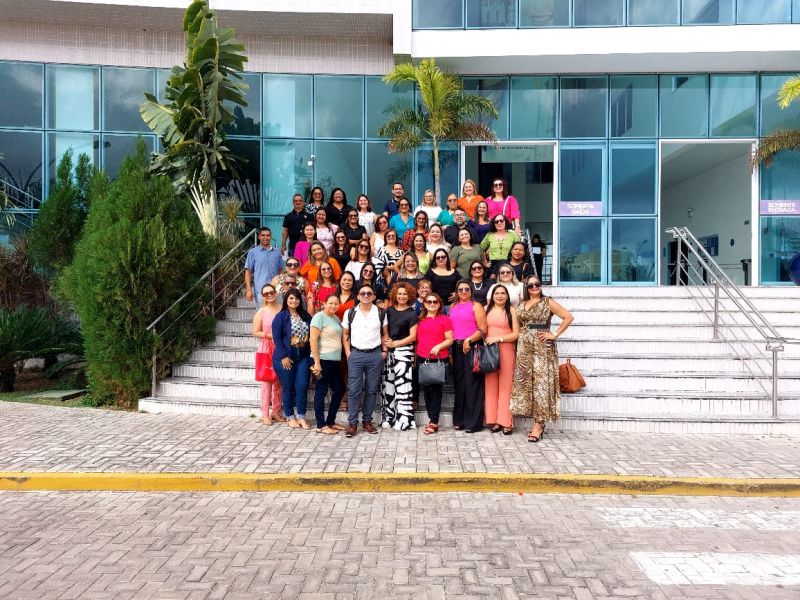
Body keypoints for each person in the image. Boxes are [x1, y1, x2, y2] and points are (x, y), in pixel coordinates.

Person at [510, 276, 574, 443]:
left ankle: (539, 424)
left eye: (537, 284)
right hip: (524, 346)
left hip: (542, 345)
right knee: (526, 382)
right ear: (526, 287)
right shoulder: (521, 304)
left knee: (541, 383)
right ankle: (534, 417)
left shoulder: (547, 301)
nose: (534, 287)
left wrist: (555, 334)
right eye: (530, 285)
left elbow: (568, 317)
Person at [342, 282, 389, 438]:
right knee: (354, 390)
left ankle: (367, 421)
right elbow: (345, 334)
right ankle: (352, 423)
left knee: (371, 389)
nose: (366, 296)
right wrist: (348, 353)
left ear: (374, 296)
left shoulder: (380, 312)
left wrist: (384, 351)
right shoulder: (350, 313)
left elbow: (385, 333)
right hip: (356, 354)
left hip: (375, 354)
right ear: (358, 296)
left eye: (369, 293)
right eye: (363, 293)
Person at [271, 288, 312, 429]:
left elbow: (312, 335)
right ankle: (289, 417)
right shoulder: (281, 316)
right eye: (291, 298)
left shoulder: (305, 315)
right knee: (288, 387)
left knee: (302, 386)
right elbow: (277, 338)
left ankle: (301, 417)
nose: (294, 301)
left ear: (300, 300)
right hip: (285, 356)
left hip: (303, 356)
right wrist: (284, 356)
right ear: (286, 300)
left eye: (297, 298)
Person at [450, 281, 488, 433]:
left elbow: (483, 329)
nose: (464, 291)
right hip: (456, 347)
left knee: (472, 385)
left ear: (471, 291)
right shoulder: (452, 307)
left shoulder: (476, 306)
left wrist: (468, 340)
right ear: (457, 291)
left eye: (467, 289)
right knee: (459, 384)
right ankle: (460, 420)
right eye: (460, 289)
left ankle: (473, 423)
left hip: (472, 346)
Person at [381, 282, 418, 431]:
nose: (402, 296)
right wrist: (387, 346)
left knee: (403, 387)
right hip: (389, 352)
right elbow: (384, 331)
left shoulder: (412, 313)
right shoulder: (388, 311)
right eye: (399, 294)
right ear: (395, 295)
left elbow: (413, 336)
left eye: (405, 294)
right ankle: (389, 417)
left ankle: (404, 420)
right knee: (388, 385)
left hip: (404, 352)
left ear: (409, 296)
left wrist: (395, 344)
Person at [484, 285, 520, 435]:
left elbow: (516, 334)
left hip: (506, 349)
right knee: (490, 385)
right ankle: (494, 420)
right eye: (497, 293)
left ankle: (506, 421)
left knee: (506, 386)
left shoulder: (512, 310)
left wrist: (498, 338)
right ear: (492, 296)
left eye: (502, 293)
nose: (499, 296)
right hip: (489, 351)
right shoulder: (486, 309)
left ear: (507, 296)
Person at [415, 292, 453, 435]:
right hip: (422, 357)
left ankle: (434, 421)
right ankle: (432, 418)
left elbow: (450, 339)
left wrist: (439, 346)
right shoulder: (420, 320)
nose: (432, 304)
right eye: (429, 302)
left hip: (438, 358)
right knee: (426, 390)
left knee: (436, 391)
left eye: (435, 302)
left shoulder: (445, 319)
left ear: (439, 304)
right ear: (424, 304)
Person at [310, 294, 345, 434]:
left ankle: (330, 421)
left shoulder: (336, 318)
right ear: (324, 303)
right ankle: (321, 425)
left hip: (334, 361)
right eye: (330, 303)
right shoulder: (319, 317)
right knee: (321, 391)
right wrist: (316, 362)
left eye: (336, 303)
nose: (333, 306)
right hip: (322, 360)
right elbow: (313, 339)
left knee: (340, 388)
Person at [252, 284, 283, 425]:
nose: (269, 295)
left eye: (271, 292)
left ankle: (275, 411)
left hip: (280, 348)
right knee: (266, 382)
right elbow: (255, 332)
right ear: (263, 296)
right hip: (265, 348)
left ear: (276, 293)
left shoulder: (283, 309)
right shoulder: (261, 312)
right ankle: (265, 414)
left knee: (279, 380)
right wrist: (269, 336)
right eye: (266, 294)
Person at [245, 227, 283, 303]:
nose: (265, 237)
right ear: (259, 237)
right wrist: (248, 290)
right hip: (260, 290)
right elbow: (248, 272)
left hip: (276, 290)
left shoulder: (277, 252)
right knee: (262, 310)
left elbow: (281, 271)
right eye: (263, 235)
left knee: (278, 310)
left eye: (268, 235)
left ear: (271, 237)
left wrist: (281, 286)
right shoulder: (252, 252)